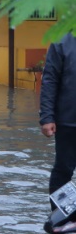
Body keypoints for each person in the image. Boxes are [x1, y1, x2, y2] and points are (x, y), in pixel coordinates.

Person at [39, 33, 76, 210]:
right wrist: (47, 117)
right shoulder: (61, 40)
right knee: (63, 171)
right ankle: (62, 220)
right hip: (69, 121)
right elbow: (50, 79)